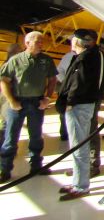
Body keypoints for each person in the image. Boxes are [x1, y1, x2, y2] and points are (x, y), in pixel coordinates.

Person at [56, 29, 104, 200]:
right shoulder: (96, 56)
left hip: (79, 106)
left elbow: (78, 83)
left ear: (78, 42)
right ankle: (79, 179)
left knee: (78, 145)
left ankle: (81, 186)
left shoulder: (86, 58)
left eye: (73, 40)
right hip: (85, 104)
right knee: (78, 144)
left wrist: (70, 102)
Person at [0, 32, 57, 183]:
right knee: (11, 137)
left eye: (41, 42)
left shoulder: (46, 60)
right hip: (18, 102)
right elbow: (4, 81)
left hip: (37, 103)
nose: (41, 44)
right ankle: (4, 169)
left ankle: (36, 165)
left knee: (36, 135)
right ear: (27, 43)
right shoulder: (15, 60)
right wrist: (12, 101)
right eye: (38, 41)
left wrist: (47, 97)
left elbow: (52, 79)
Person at [55, 38, 77, 142]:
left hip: (77, 89)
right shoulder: (68, 56)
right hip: (68, 89)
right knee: (64, 111)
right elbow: (59, 71)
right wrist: (65, 82)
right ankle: (64, 133)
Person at [0, 44, 21, 147]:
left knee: (5, 122)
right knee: (9, 123)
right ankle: (7, 147)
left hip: (4, 97)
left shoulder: (5, 63)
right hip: (8, 97)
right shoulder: (12, 64)